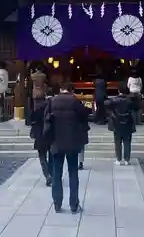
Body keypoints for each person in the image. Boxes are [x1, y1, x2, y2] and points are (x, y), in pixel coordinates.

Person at [44, 82, 89, 214]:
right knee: (73, 173)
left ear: (60, 89)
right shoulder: (75, 102)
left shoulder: (52, 102)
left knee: (57, 173)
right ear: (71, 90)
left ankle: (57, 204)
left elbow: (46, 120)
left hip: (57, 142)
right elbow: (84, 118)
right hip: (72, 141)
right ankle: (74, 204)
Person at [106, 81, 139, 166]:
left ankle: (118, 159)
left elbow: (107, 106)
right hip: (128, 123)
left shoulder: (113, 101)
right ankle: (127, 160)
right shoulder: (130, 101)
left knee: (117, 142)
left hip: (116, 123)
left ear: (118, 90)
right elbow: (136, 108)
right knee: (127, 141)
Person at [30, 94, 53, 186]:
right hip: (50, 135)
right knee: (52, 157)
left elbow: (30, 121)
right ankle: (52, 174)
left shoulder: (36, 110)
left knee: (42, 157)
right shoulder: (50, 108)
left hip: (40, 136)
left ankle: (47, 175)